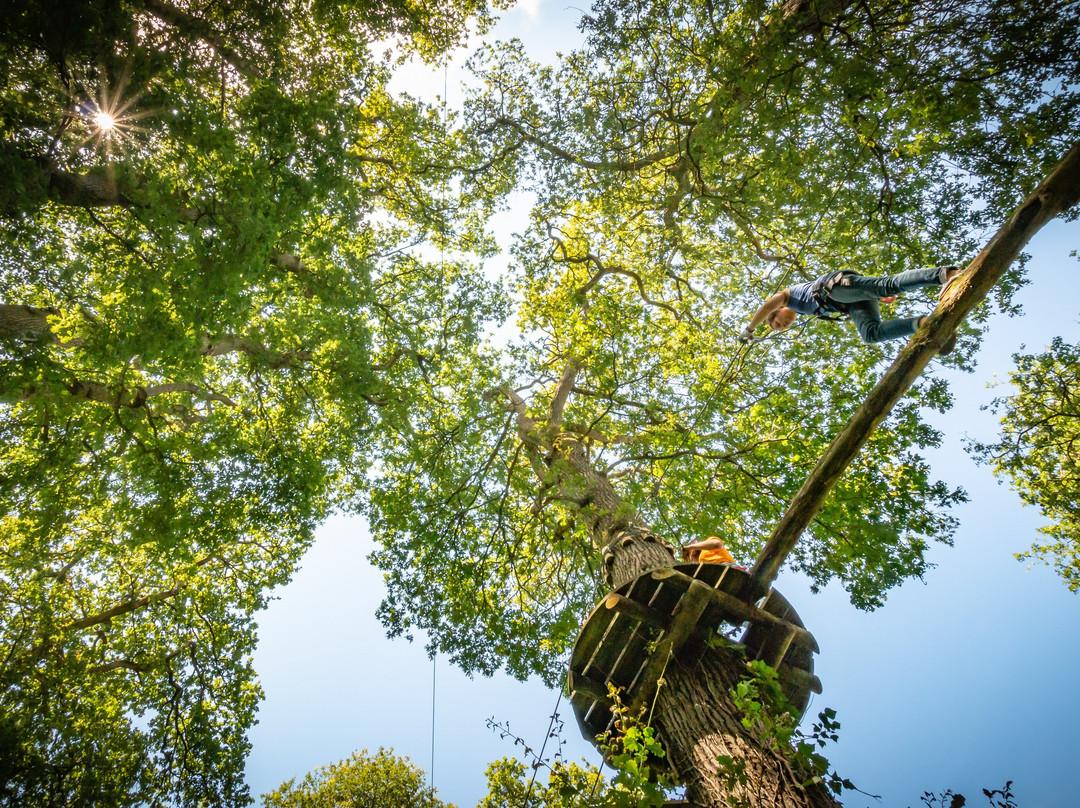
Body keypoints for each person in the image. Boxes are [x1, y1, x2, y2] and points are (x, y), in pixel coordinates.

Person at [738, 265, 962, 351]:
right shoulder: (805, 309)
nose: (783, 325)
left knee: (886, 285)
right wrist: (866, 295)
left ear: (776, 312)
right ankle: (924, 324)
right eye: (780, 328)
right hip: (850, 301)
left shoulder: (786, 297)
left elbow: (766, 306)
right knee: (870, 334)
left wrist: (749, 329)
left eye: (777, 322)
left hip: (835, 287)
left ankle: (948, 274)